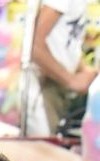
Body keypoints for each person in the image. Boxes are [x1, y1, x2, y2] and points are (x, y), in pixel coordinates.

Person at [22, 0, 96, 137]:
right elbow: (33, 45)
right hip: (41, 87)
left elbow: (65, 42)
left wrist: (83, 69)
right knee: (43, 145)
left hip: (56, 85)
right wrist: (71, 80)